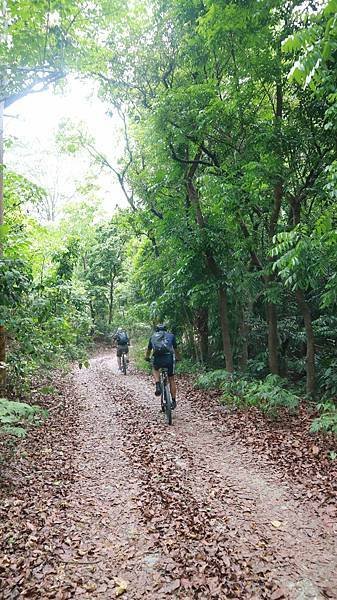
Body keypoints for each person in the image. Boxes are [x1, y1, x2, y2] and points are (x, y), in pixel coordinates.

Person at [145, 324, 180, 409]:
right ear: (165, 329)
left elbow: (149, 350)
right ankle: (174, 400)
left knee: (155, 368)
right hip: (169, 359)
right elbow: (175, 349)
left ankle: (157, 384)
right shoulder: (171, 336)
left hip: (158, 359)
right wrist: (178, 358)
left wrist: (147, 358)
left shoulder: (153, 337)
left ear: (156, 330)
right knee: (171, 379)